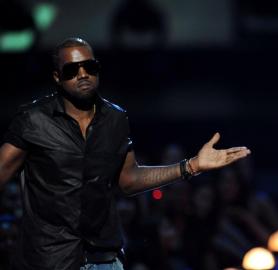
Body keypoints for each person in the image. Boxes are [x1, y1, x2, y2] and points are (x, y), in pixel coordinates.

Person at [0, 37, 251, 270]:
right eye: (72, 70)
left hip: (104, 258)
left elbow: (128, 179)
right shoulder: (33, 121)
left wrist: (192, 166)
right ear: (57, 77)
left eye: (90, 66)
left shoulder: (115, 118)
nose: (83, 74)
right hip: (48, 259)